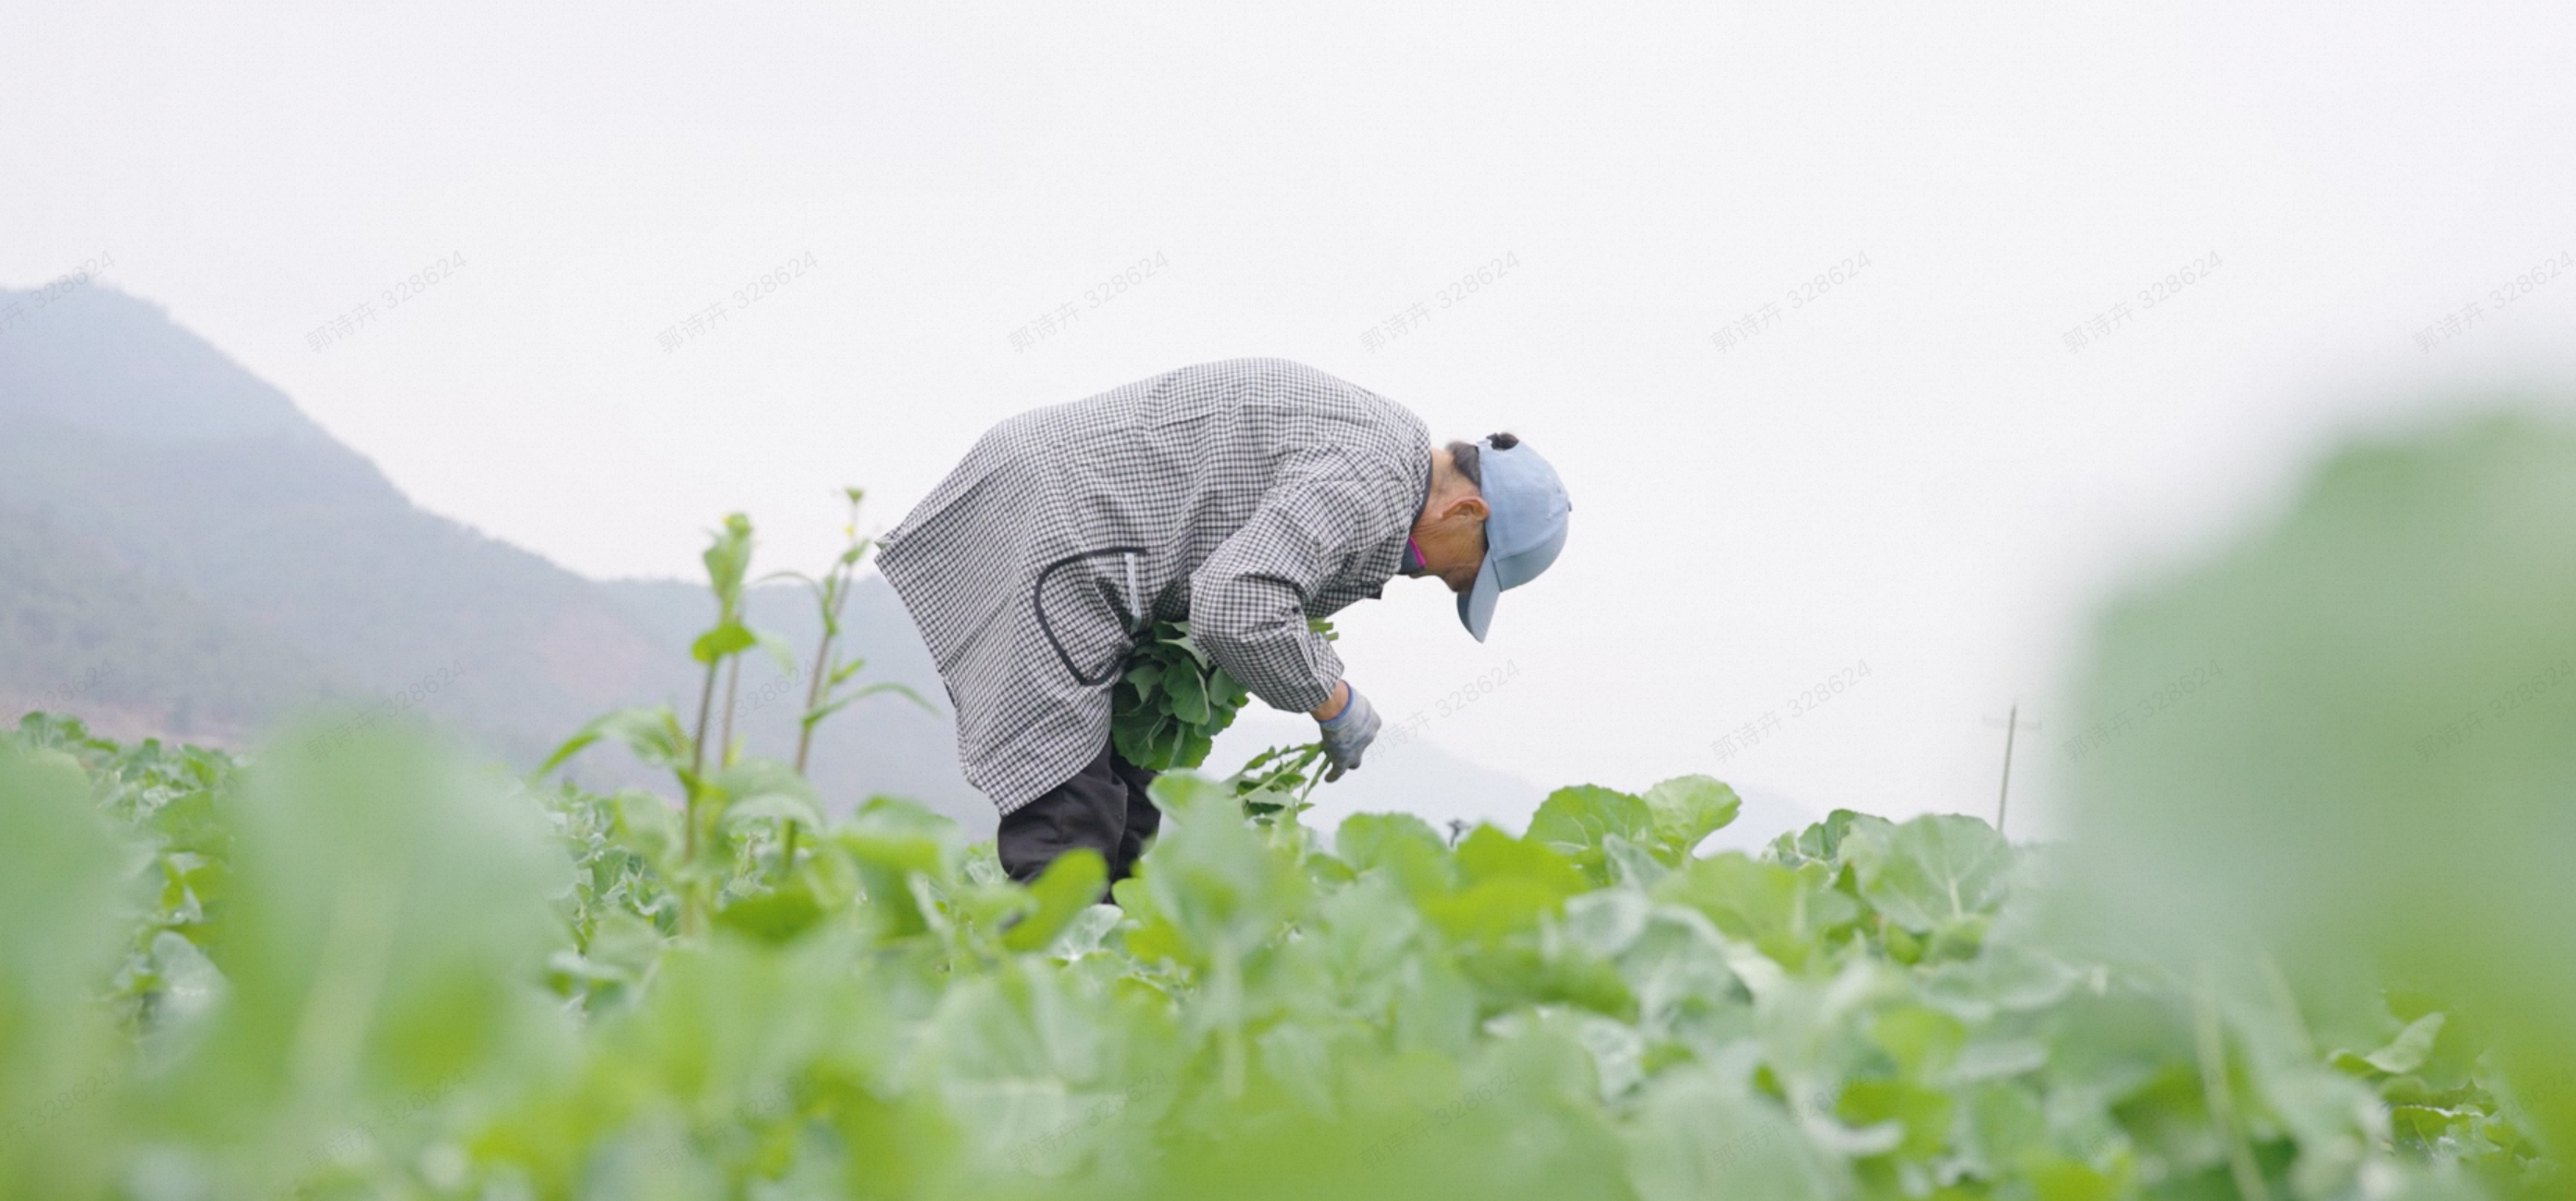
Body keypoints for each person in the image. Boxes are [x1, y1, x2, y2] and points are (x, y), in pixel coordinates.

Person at [875, 358, 1571, 883]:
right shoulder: (1374, 480)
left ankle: (1098, 991)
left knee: (1128, 811)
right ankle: (1037, 1006)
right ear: (1465, 512)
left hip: (1081, 526)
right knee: (1069, 820)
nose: (1433, 579)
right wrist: (1334, 701)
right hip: (1066, 528)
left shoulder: (1383, 454)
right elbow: (1239, 604)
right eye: (1458, 574)